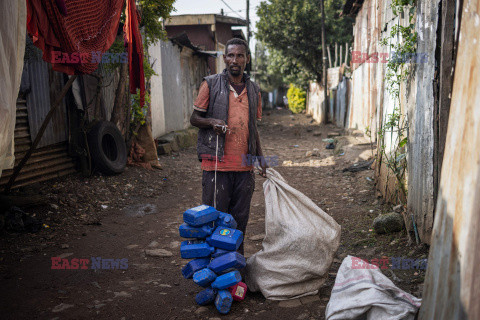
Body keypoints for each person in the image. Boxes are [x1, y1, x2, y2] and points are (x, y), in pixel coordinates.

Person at [190, 38, 267, 255]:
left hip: (244, 167)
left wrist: (261, 159)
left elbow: (253, 128)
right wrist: (212, 122)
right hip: (216, 165)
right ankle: (214, 272)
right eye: (231, 55)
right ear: (224, 59)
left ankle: (235, 273)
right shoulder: (211, 84)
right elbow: (194, 118)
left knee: (239, 223)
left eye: (240, 55)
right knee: (214, 220)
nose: (235, 59)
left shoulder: (253, 90)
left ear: (247, 59)